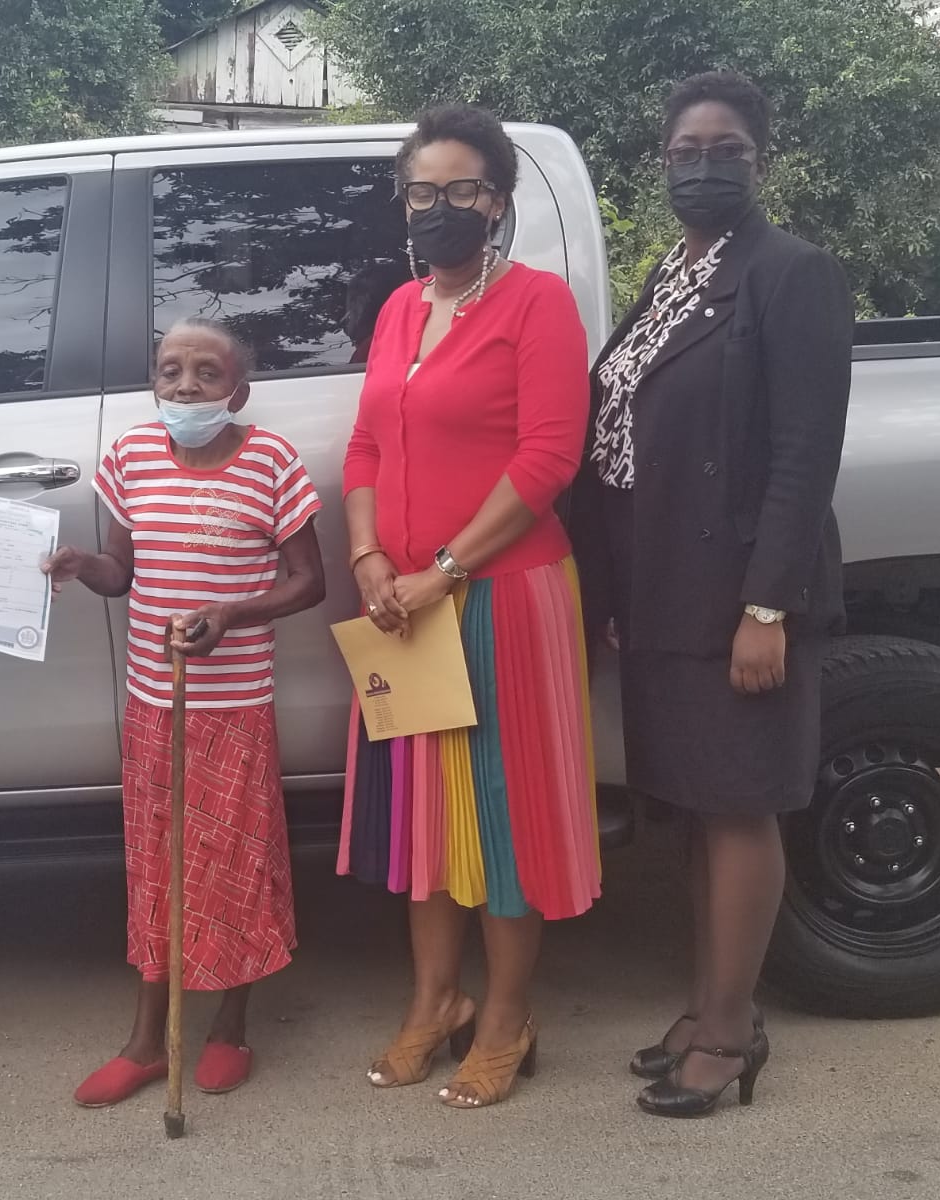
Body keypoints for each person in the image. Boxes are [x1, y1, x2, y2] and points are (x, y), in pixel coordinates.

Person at [567, 72, 853, 1118]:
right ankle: (708, 1002)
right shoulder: (674, 275)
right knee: (695, 812)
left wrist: (766, 606)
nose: (701, 165)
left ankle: (730, 1033)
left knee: (737, 809)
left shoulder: (791, 273)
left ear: (759, 160)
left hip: (735, 593)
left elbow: (801, 453)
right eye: (684, 149)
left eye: (723, 149)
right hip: (659, 593)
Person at [340, 105, 598, 1110]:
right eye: (421, 192)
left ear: (498, 201)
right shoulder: (402, 308)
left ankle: (504, 1016)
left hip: (502, 598)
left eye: (461, 191)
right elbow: (364, 446)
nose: (439, 209)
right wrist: (368, 556)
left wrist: (440, 570)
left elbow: (547, 460)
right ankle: (434, 1002)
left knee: (502, 818)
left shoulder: (537, 304)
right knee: (425, 815)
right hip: (401, 607)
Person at [44, 318, 325, 1107]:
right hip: (154, 703)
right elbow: (119, 572)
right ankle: (145, 1040)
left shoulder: (271, 461)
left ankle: (231, 1025)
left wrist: (231, 613)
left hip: (233, 705)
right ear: (154, 383)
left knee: (233, 866)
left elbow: (310, 581)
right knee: (158, 865)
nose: (186, 388)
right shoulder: (131, 456)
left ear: (239, 389)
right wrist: (79, 564)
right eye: (171, 372)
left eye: (207, 374)